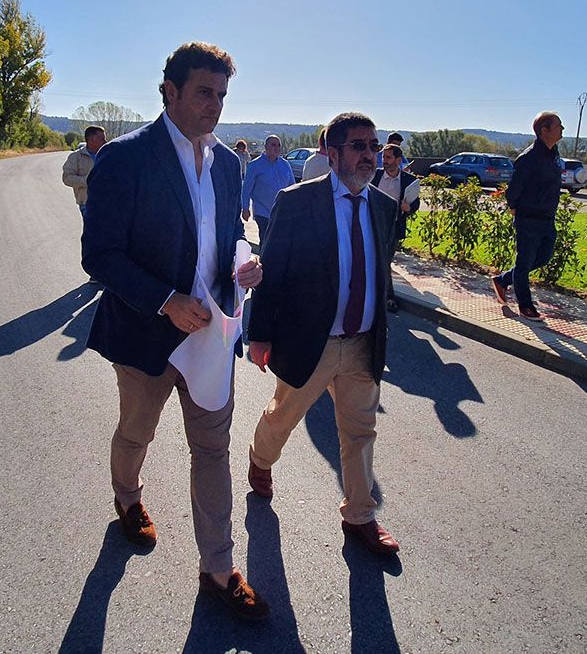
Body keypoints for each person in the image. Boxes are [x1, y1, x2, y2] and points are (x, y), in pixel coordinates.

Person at [81, 41, 269, 620]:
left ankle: (217, 568)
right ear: (170, 92)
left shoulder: (229, 165)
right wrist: (164, 301)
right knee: (136, 433)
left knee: (212, 449)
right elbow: (99, 254)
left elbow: (225, 235)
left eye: (222, 95)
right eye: (204, 93)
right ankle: (128, 500)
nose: (214, 106)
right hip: (145, 334)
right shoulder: (125, 158)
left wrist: (244, 259)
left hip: (211, 335)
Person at [244, 111, 401, 556]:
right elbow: (273, 272)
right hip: (310, 342)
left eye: (373, 146)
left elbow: (377, 272)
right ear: (332, 155)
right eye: (358, 146)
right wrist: (261, 335)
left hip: (362, 343)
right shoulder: (296, 202)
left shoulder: (384, 208)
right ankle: (260, 458)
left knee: (360, 430)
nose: (370, 155)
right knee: (283, 416)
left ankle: (360, 515)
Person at [490, 111, 565, 322]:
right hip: (528, 218)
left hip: (548, 217)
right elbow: (514, 189)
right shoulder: (528, 158)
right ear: (544, 131)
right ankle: (526, 307)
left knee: (543, 257)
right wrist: (514, 207)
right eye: (558, 126)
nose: (562, 129)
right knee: (524, 262)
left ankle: (503, 280)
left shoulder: (554, 155)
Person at [371, 143, 420, 312]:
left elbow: (415, 204)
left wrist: (409, 208)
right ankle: (381, 296)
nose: (384, 161)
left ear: (398, 160)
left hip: (393, 226)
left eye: (388, 157)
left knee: (384, 260)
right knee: (377, 260)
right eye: (383, 157)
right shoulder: (374, 176)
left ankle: (388, 297)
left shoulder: (408, 181)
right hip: (373, 224)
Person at [241, 134, 294, 246]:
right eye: (273, 145)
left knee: (281, 243)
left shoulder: (285, 165)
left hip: (282, 212)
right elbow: (246, 189)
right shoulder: (255, 165)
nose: (276, 148)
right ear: (266, 147)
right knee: (266, 241)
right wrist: (245, 208)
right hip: (263, 212)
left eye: (279, 145)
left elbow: (292, 187)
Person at [61, 125, 106, 217]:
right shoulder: (76, 157)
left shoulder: (108, 155)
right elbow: (67, 178)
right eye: (102, 139)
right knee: (93, 230)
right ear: (91, 140)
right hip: (87, 203)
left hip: (108, 202)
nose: (105, 142)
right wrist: (87, 180)